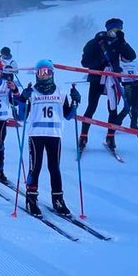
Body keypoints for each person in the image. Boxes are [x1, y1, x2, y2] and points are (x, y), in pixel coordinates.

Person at [19, 60, 81, 217]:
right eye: (41, 72)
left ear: (52, 73)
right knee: (36, 167)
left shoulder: (61, 92)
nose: (44, 75)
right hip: (36, 134)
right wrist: (22, 99)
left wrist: (75, 101)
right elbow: (21, 116)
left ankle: (58, 200)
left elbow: (69, 116)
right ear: (36, 74)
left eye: (47, 72)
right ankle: (31, 199)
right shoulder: (31, 92)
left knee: (54, 168)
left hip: (54, 134)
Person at [79, 18, 136, 151]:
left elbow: (131, 56)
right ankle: (83, 136)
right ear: (108, 29)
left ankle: (110, 137)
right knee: (91, 107)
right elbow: (85, 62)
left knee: (113, 109)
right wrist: (101, 62)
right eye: (115, 29)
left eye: (120, 29)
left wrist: (123, 41)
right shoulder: (95, 42)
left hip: (113, 80)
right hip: (97, 78)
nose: (117, 32)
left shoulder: (119, 42)